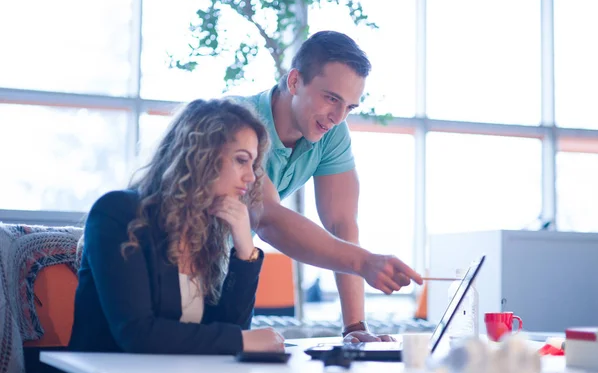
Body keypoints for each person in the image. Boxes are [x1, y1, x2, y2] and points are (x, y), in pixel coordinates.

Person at [233, 31, 423, 342]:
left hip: (229, 269)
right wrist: (364, 263)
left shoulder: (331, 133)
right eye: (331, 98)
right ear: (295, 82)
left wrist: (355, 328)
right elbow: (264, 217)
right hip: (163, 261)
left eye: (349, 107)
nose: (337, 117)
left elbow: (342, 223)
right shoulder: (238, 121)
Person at [69, 99, 285, 355]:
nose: (250, 177)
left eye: (253, 164)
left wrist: (244, 249)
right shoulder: (118, 213)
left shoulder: (205, 232)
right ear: (202, 155)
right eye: (241, 160)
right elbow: (137, 334)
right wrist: (242, 340)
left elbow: (228, 329)